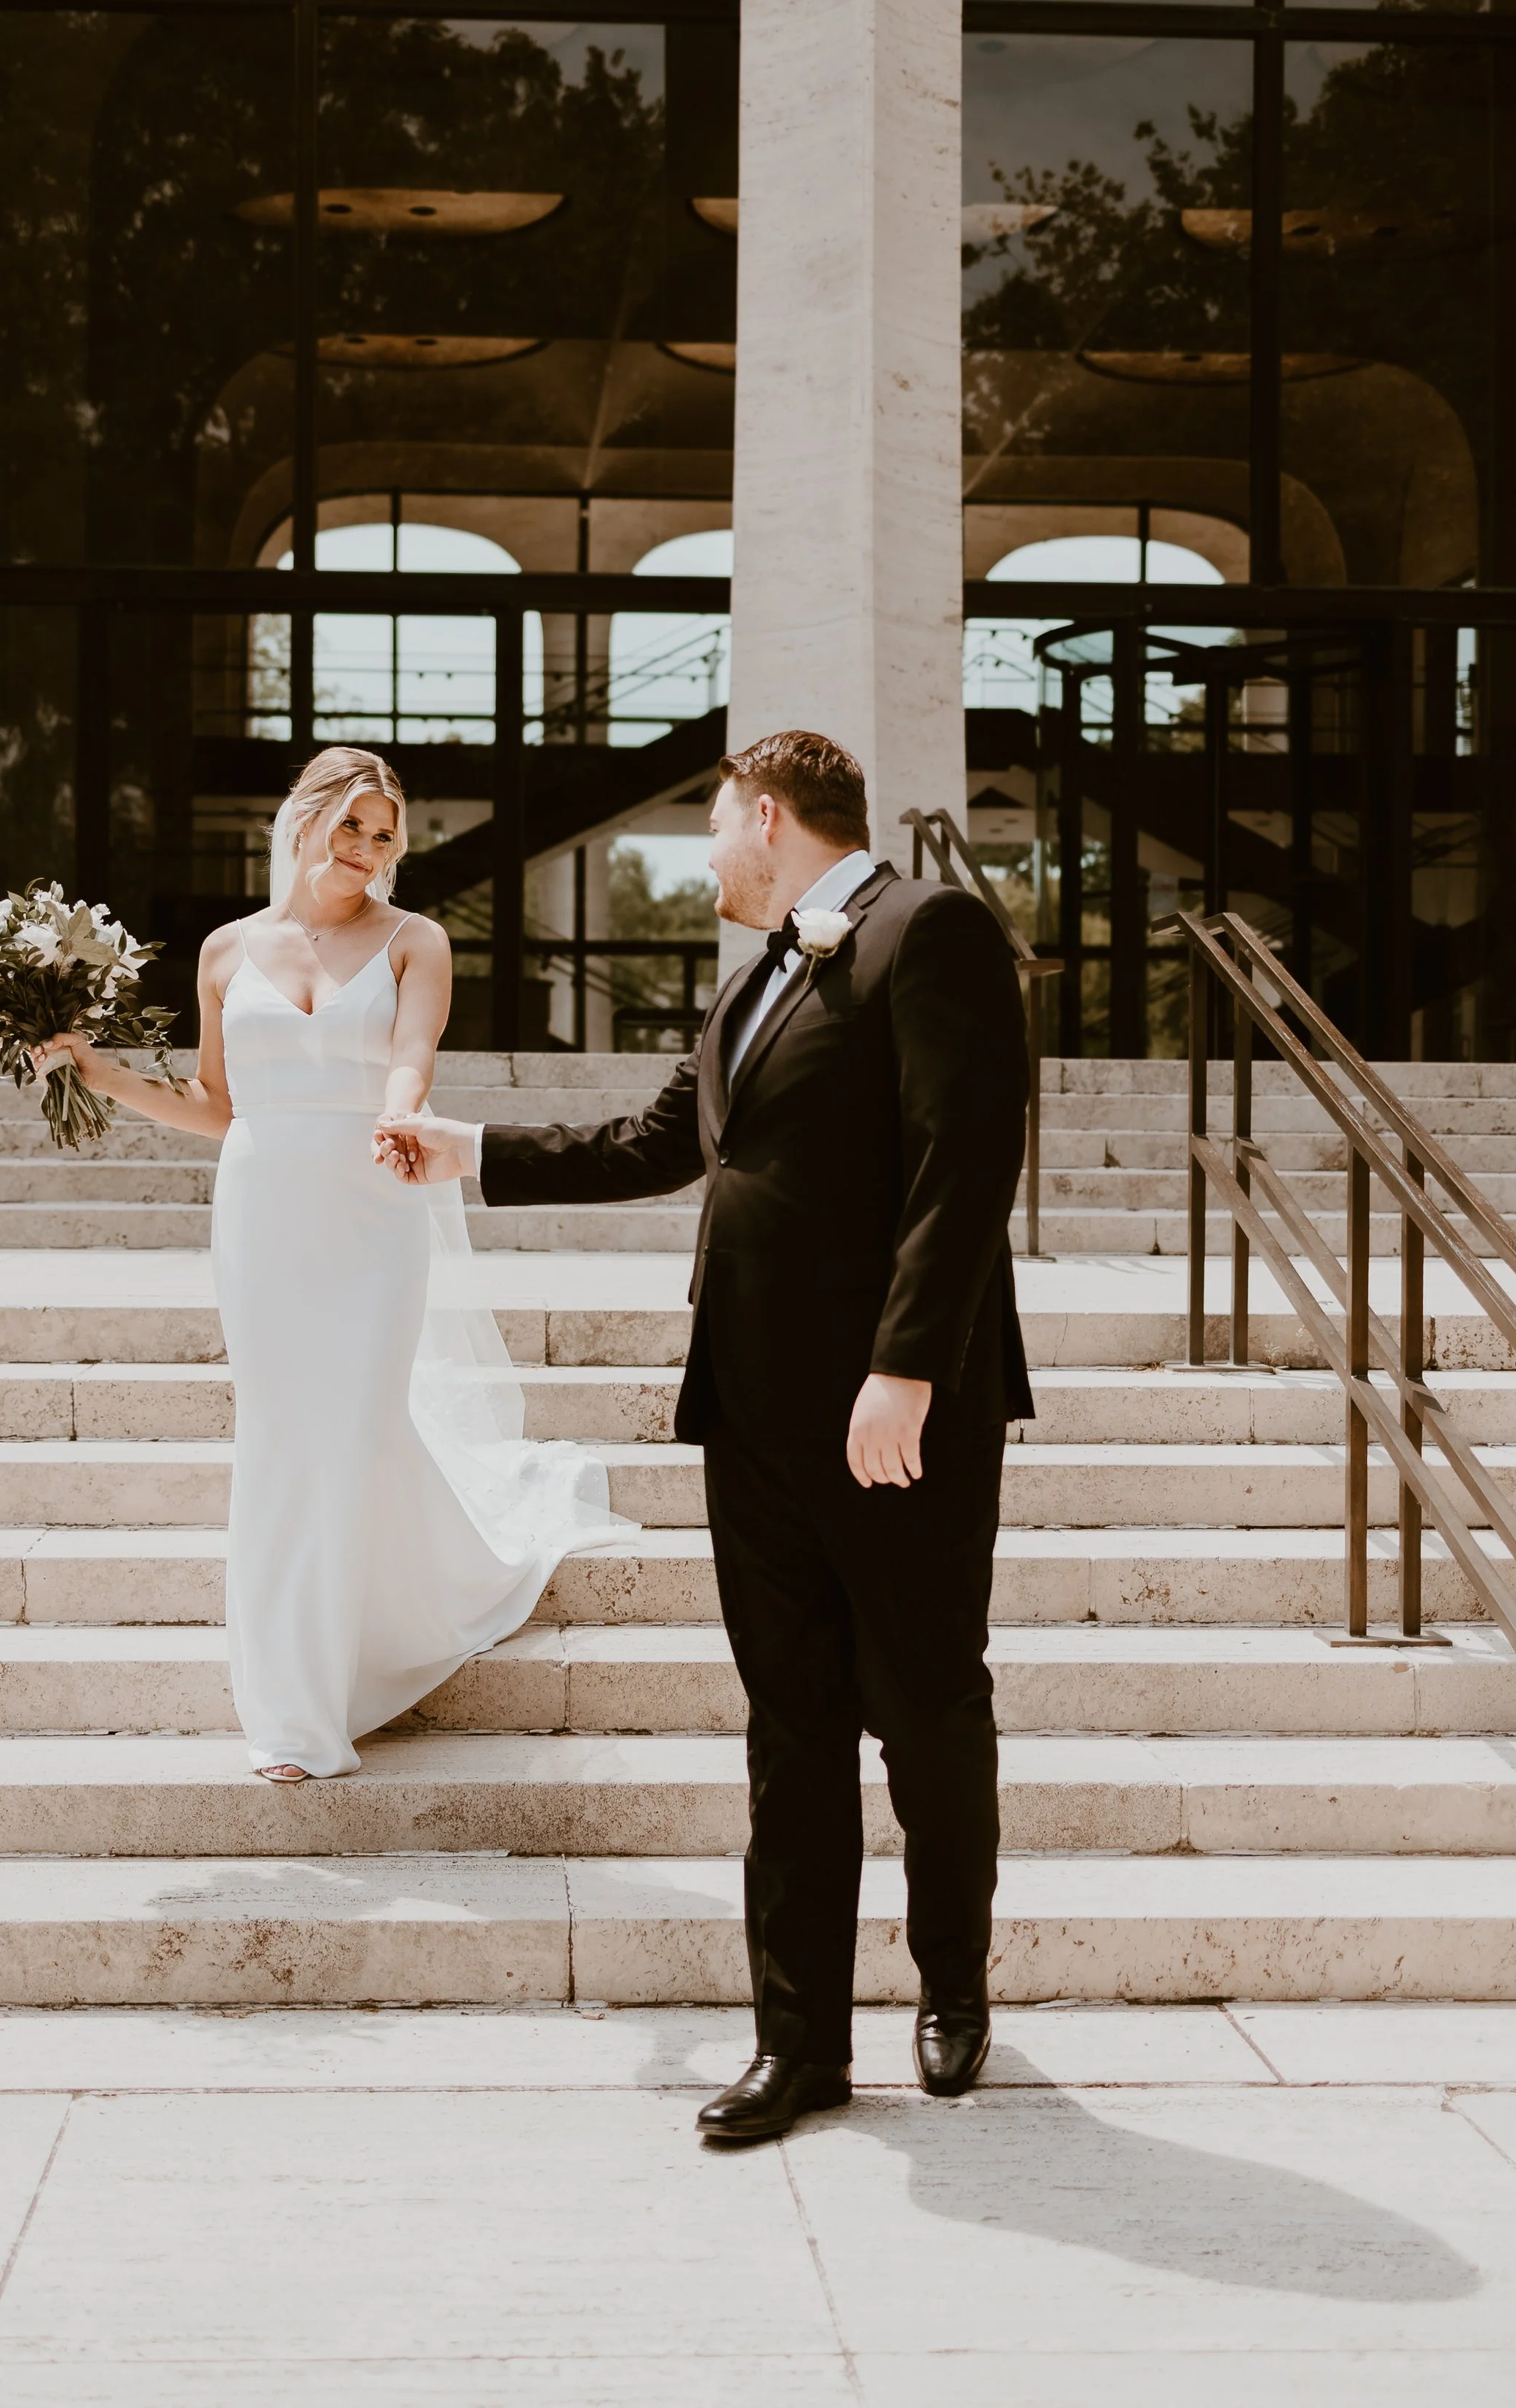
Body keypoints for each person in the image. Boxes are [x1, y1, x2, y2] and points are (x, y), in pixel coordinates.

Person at [376, 729, 1034, 2134]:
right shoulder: (753, 984)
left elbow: (964, 1162)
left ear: (773, 813)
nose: (708, 856)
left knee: (924, 1709)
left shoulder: (933, 929)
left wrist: (907, 1369)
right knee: (789, 1729)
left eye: (717, 826)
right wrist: (471, 1150)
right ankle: (799, 2047)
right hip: (750, 1415)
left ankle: (955, 1983)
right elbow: (657, 1141)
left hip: (892, 1415)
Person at [34, 745, 620, 1781]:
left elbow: (413, 1054)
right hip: (263, 1212)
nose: (367, 846)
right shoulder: (225, 952)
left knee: (354, 1426)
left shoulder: (415, 940)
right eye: (352, 823)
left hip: (374, 1201)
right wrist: (101, 1072)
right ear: (304, 820)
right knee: (281, 1441)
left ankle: (377, 1640)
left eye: (385, 832)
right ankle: (294, 1711)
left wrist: (400, 1110)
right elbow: (219, 1108)